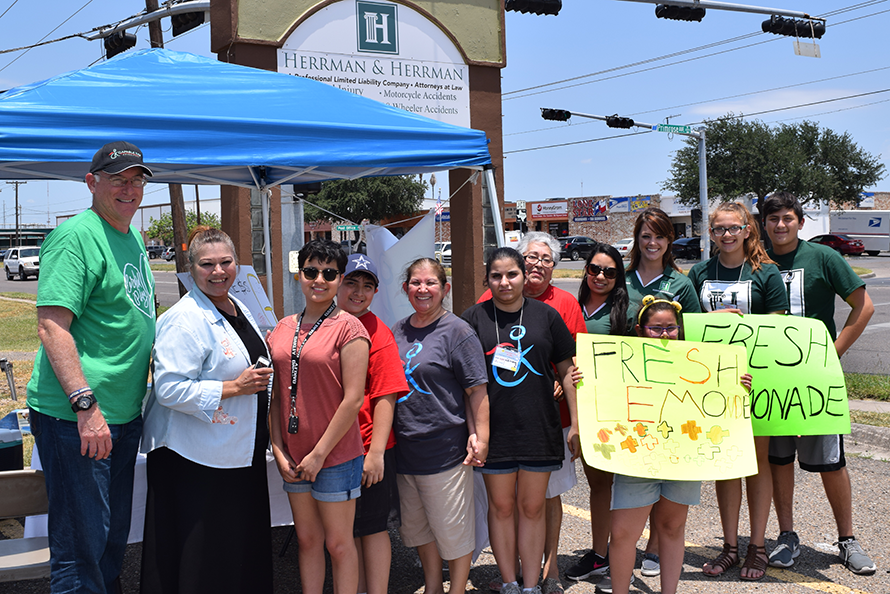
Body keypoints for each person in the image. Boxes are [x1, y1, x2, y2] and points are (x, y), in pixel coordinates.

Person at [26, 141, 156, 593]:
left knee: (110, 538)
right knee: (81, 548)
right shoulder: (76, 236)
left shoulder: (132, 235)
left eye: (136, 179)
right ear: (91, 183)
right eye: (117, 179)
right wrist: (86, 405)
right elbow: (52, 327)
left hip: (121, 415)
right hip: (77, 417)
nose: (129, 188)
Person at [139, 227, 274, 593]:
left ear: (237, 264)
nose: (218, 271)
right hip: (193, 459)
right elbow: (169, 389)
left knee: (231, 549)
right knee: (199, 555)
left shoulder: (235, 305)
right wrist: (235, 387)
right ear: (190, 268)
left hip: (233, 451)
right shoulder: (184, 319)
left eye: (226, 262)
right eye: (207, 264)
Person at [762, 192, 876, 575]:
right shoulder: (756, 262)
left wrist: (834, 352)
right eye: (773, 218)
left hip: (815, 379)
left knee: (830, 461)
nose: (780, 225)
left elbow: (864, 306)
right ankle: (787, 535)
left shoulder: (823, 257)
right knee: (778, 460)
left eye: (787, 218)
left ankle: (847, 539)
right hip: (769, 379)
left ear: (800, 221)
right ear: (764, 224)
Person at [608, 295, 753, 594]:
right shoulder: (623, 362)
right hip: (638, 457)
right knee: (623, 533)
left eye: (671, 328)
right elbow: (603, 393)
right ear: (639, 330)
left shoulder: (697, 363)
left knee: (673, 528)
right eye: (656, 328)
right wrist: (583, 380)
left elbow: (718, 402)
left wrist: (736, 387)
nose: (664, 334)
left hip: (683, 457)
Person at [463, 248, 579, 594]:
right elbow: (467, 384)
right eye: (496, 276)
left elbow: (568, 371)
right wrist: (474, 433)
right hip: (493, 431)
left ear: (522, 275)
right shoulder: (473, 318)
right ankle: (510, 582)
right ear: (488, 279)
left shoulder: (547, 316)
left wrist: (576, 423)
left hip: (539, 427)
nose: (504, 282)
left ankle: (531, 585)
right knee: (500, 508)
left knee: (532, 508)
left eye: (511, 274)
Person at [687, 201, 788, 581]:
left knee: (757, 464)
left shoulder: (766, 274)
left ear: (747, 230)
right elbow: (686, 324)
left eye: (733, 228)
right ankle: (730, 546)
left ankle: (757, 546)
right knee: (725, 464)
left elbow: (778, 331)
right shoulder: (699, 272)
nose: (726, 235)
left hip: (756, 385)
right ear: (710, 233)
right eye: (719, 230)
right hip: (711, 385)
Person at [268, 239, 370, 594]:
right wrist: (278, 450)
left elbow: (353, 400)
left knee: (338, 545)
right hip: (293, 456)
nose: (319, 280)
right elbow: (277, 396)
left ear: (340, 278)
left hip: (336, 456)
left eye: (329, 273)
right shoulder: (281, 328)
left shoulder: (350, 328)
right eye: (311, 271)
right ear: (300, 275)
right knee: (307, 541)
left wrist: (319, 455)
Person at [392, 257, 490, 594]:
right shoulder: (398, 330)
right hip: (405, 450)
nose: (423, 289)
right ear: (406, 289)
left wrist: (481, 437)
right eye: (415, 283)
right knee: (420, 529)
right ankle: (433, 586)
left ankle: (457, 589)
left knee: (453, 530)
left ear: (444, 289)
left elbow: (477, 389)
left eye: (430, 283)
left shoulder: (458, 331)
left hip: (444, 450)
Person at [622, 207, 703, 578]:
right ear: (637, 240)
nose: (652, 243)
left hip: (672, 395)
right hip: (628, 390)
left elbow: (695, 341)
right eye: (645, 236)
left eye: (659, 236)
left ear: (669, 240)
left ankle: (655, 547)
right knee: (634, 472)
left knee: (666, 468)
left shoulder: (681, 284)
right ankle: (619, 550)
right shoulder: (623, 281)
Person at [335, 254, 410, 594]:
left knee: (373, 527)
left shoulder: (377, 332)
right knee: (346, 530)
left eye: (367, 286)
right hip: (333, 451)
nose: (359, 292)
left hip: (367, 447)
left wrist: (376, 452)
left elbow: (387, 395)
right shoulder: (325, 322)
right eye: (352, 282)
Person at [567, 242, 634, 591]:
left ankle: (622, 554)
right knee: (597, 485)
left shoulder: (626, 311)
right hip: (578, 408)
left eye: (609, 271)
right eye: (594, 269)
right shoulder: (570, 306)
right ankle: (599, 554)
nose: (600, 277)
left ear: (618, 276)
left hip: (615, 409)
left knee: (619, 485)